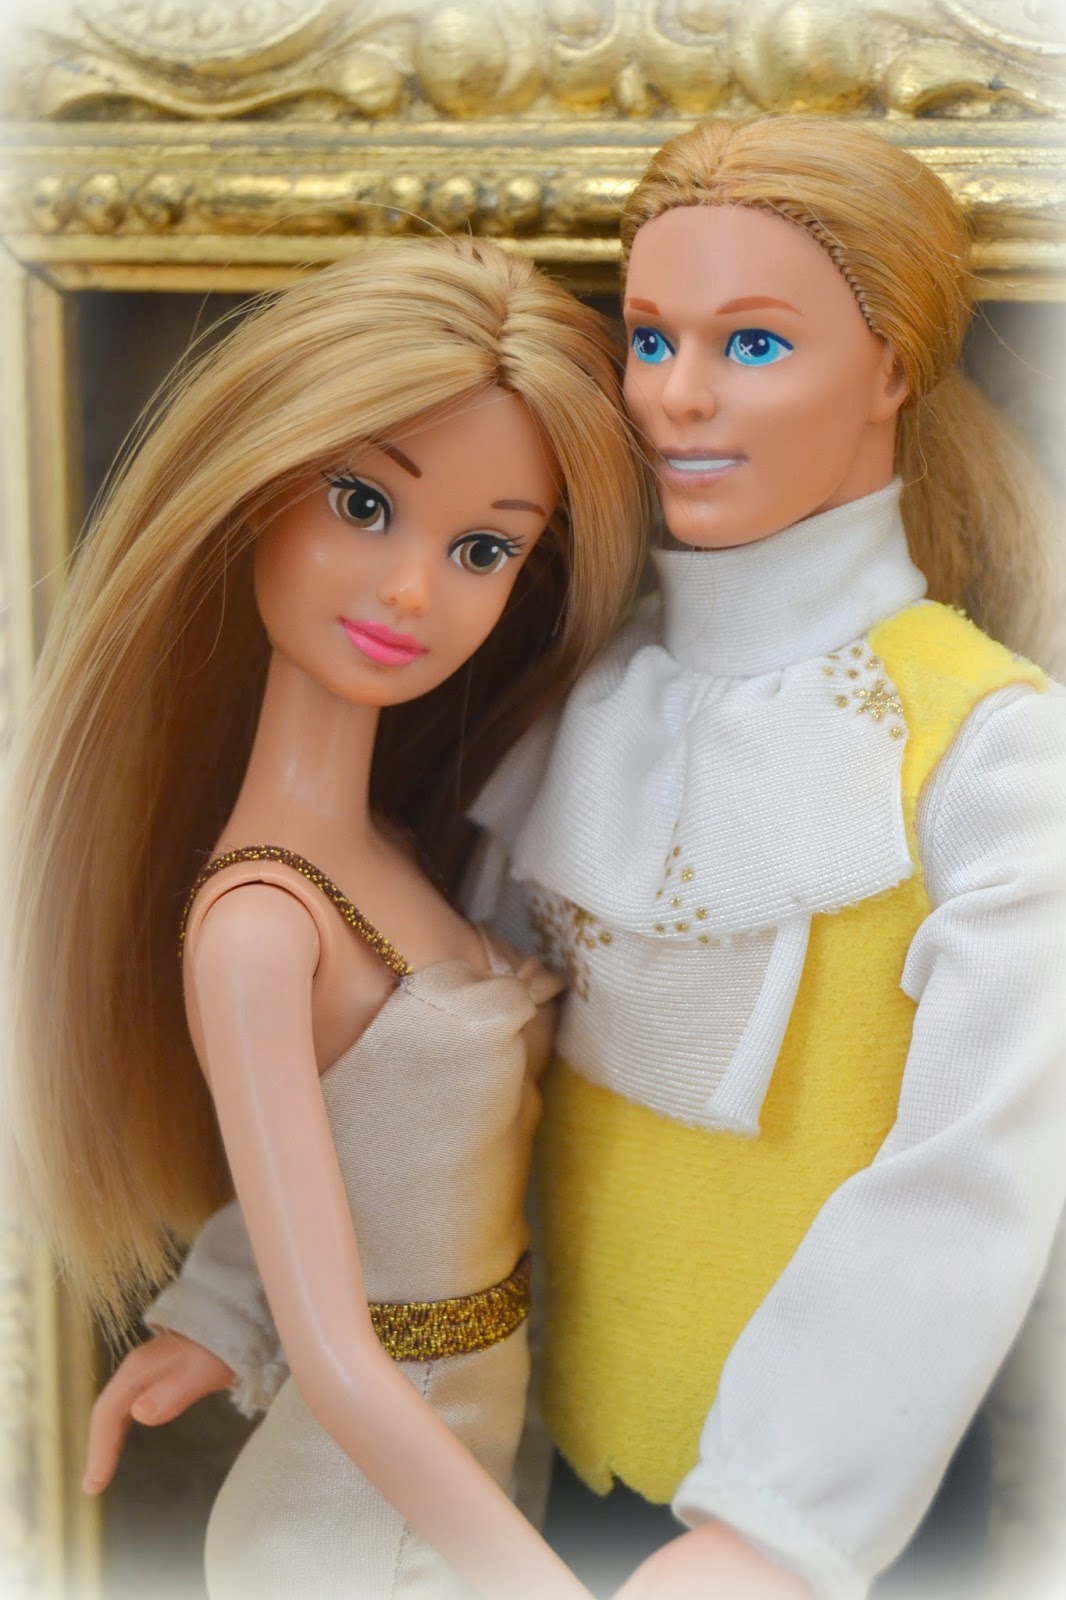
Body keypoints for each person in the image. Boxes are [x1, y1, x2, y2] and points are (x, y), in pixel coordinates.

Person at [76, 116, 1066, 1600]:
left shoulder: (983, 748)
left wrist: (775, 1529)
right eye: (649, 338)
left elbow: (974, 1170)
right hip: (559, 1460)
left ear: (892, 370)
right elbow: (418, 1071)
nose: (674, 396)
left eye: (750, 345)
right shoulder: (586, 704)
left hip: (836, 1510)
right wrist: (236, 1293)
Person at [2, 235, 649, 1600]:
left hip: (463, 1472)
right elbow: (340, 1358)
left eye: (481, 549)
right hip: (362, 1529)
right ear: (256, 493)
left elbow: (354, 1144)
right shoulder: (261, 926)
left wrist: (211, 1314)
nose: (412, 589)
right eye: (363, 504)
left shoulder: (391, 851)